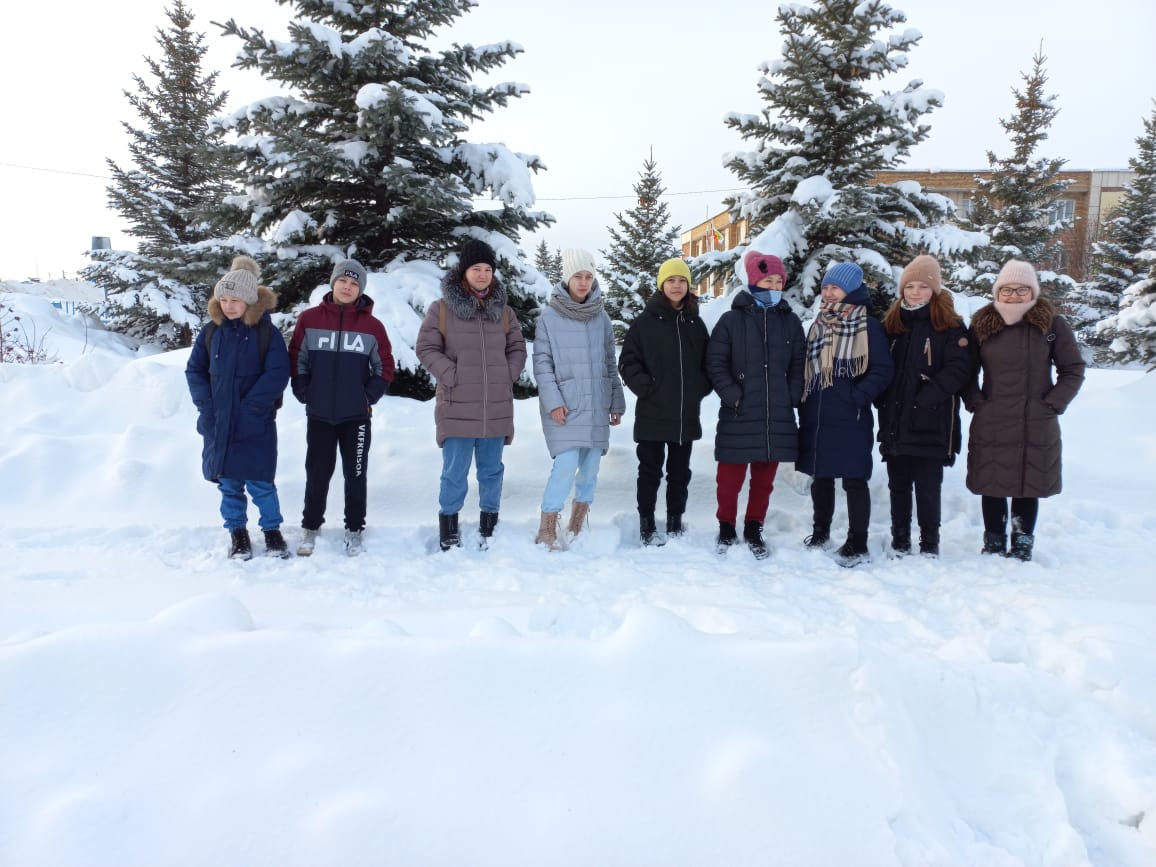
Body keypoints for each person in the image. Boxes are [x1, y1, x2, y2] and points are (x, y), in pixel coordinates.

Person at [962, 259, 1085, 561]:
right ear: (997, 291)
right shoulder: (982, 323)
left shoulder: (1051, 324)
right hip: (992, 417)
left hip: (1036, 419)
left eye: (1022, 289)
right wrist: (975, 400)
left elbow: (1073, 369)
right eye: (1007, 289)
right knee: (991, 481)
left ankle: (1022, 543)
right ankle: (993, 542)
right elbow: (965, 369)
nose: (1014, 295)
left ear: (1033, 291)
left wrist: (1053, 403)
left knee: (1028, 482)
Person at [417, 239, 527, 551]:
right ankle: (449, 525)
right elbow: (426, 348)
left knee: (492, 471)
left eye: (487, 269)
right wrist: (452, 375)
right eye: (476, 268)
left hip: (495, 407)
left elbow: (517, 348)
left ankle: (489, 523)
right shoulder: (441, 310)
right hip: (457, 407)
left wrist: (506, 374)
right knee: (454, 472)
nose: (482, 275)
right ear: (464, 271)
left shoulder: (504, 313)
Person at [186, 255, 291, 560]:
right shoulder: (210, 333)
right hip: (219, 422)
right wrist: (206, 406)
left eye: (235, 300)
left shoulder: (266, 334)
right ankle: (237, 532)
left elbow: (277, 373)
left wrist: (253, 408)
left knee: (261, 483)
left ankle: (272, 531)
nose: (229, 305)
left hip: (255, 422)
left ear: (249, 301)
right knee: (229, 484)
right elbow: (195, 371)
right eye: (224, 299)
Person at [288, 259, 394, 557]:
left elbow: (384, 367)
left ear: (361, 289)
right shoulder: (309, 320)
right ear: (333, 283)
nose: (347, 287)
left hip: (356, 417)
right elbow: (297, 358)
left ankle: (355, 529)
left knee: (356, 474)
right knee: (317, 473)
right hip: (319, 415)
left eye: (354, 283)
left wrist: (367, 397)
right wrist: (304, 390)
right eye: (343, 281)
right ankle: (311, 527)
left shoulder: (372, 327)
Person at [705, 250, 805, 559]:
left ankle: (754, 526)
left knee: (764, 480)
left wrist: (790, 395)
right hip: (739, 413)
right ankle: (726, 526)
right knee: (729, 480)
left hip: (776, 414)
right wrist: (733, 396)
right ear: (753, 282)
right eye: (767, 281)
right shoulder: (731, 321)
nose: (773, 287)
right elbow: (715, 364)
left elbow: (799, 364)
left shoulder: (790, 322)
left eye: (778, 282)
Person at [796, 261, 894, 567]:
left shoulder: (868, 326)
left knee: (854, 480)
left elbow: (882, 370)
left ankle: (857, 542)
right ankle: (820, 533)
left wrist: (857, 396)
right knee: (821, 477)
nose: (828, 293)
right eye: (825, 287)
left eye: (835, 288)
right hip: (817, 414)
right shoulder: (819, 323)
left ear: (850, 291)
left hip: (851, 415)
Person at [876, 255, 974, 557]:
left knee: (928, 488)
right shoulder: (892, 324)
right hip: (895, 420)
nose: (915, 292)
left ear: (934, 290)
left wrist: (926, 398)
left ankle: (930, 543)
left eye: (922, 286)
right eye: (909, 286)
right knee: (898, 486)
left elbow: (959, 369)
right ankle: (900, 540)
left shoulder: (950, 326)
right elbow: (879, 366)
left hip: (932, 422)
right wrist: (881, 398)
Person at [533, 248, 625, 550]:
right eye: (578, 276)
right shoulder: (549, 318)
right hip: (566, 406)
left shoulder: (602, 318)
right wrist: (553, 402)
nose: (584, 282)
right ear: (567, 278)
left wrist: (616, 401)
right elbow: (542, 364)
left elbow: (609, 363)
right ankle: (547, 527)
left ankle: (576, 523)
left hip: (597, 404)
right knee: (565, 465)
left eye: (588, 276)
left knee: (590, 469)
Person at [618, 257, 712, 546]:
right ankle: (646, 523)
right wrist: (648, 388)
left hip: (685, 414)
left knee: (679, 473)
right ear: (662, 284)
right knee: (650, 472)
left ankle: (675, 521)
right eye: (671, 280)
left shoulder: (695, 323)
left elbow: (709, 363)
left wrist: (698, 389)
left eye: (682, 280)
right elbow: (628, 362)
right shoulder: (645, 323)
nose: (676, 285)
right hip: (653, 411)